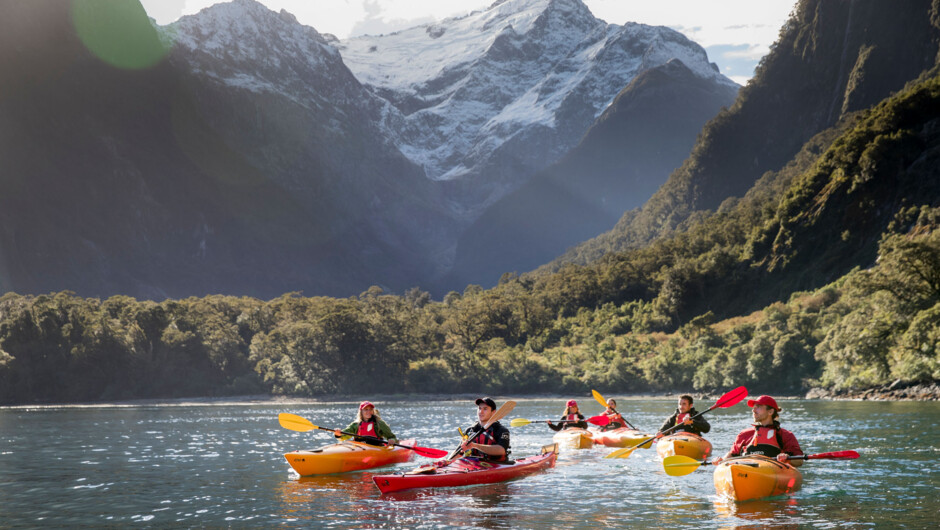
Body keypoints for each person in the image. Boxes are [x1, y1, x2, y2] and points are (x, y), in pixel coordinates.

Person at [712, 395, 803, 466]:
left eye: (758, 407)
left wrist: (787, 458)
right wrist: (722, 460)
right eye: (754, 407)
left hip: (773, 471)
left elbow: (799, 461)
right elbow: (732, 454)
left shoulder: (785, 435)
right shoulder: (744, 434)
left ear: (770, 412)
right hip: (746, 470)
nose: (753, 410)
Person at [458, 397, 511, 461]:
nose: (481, 412)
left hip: (496, 465)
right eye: (479, 408)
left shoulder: (501, 430)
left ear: (493, 412)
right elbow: (459, 452)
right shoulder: (470, 430)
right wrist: (447, 462)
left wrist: (475, 446)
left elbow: (501, 450)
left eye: (485, 409)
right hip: (472, 465)